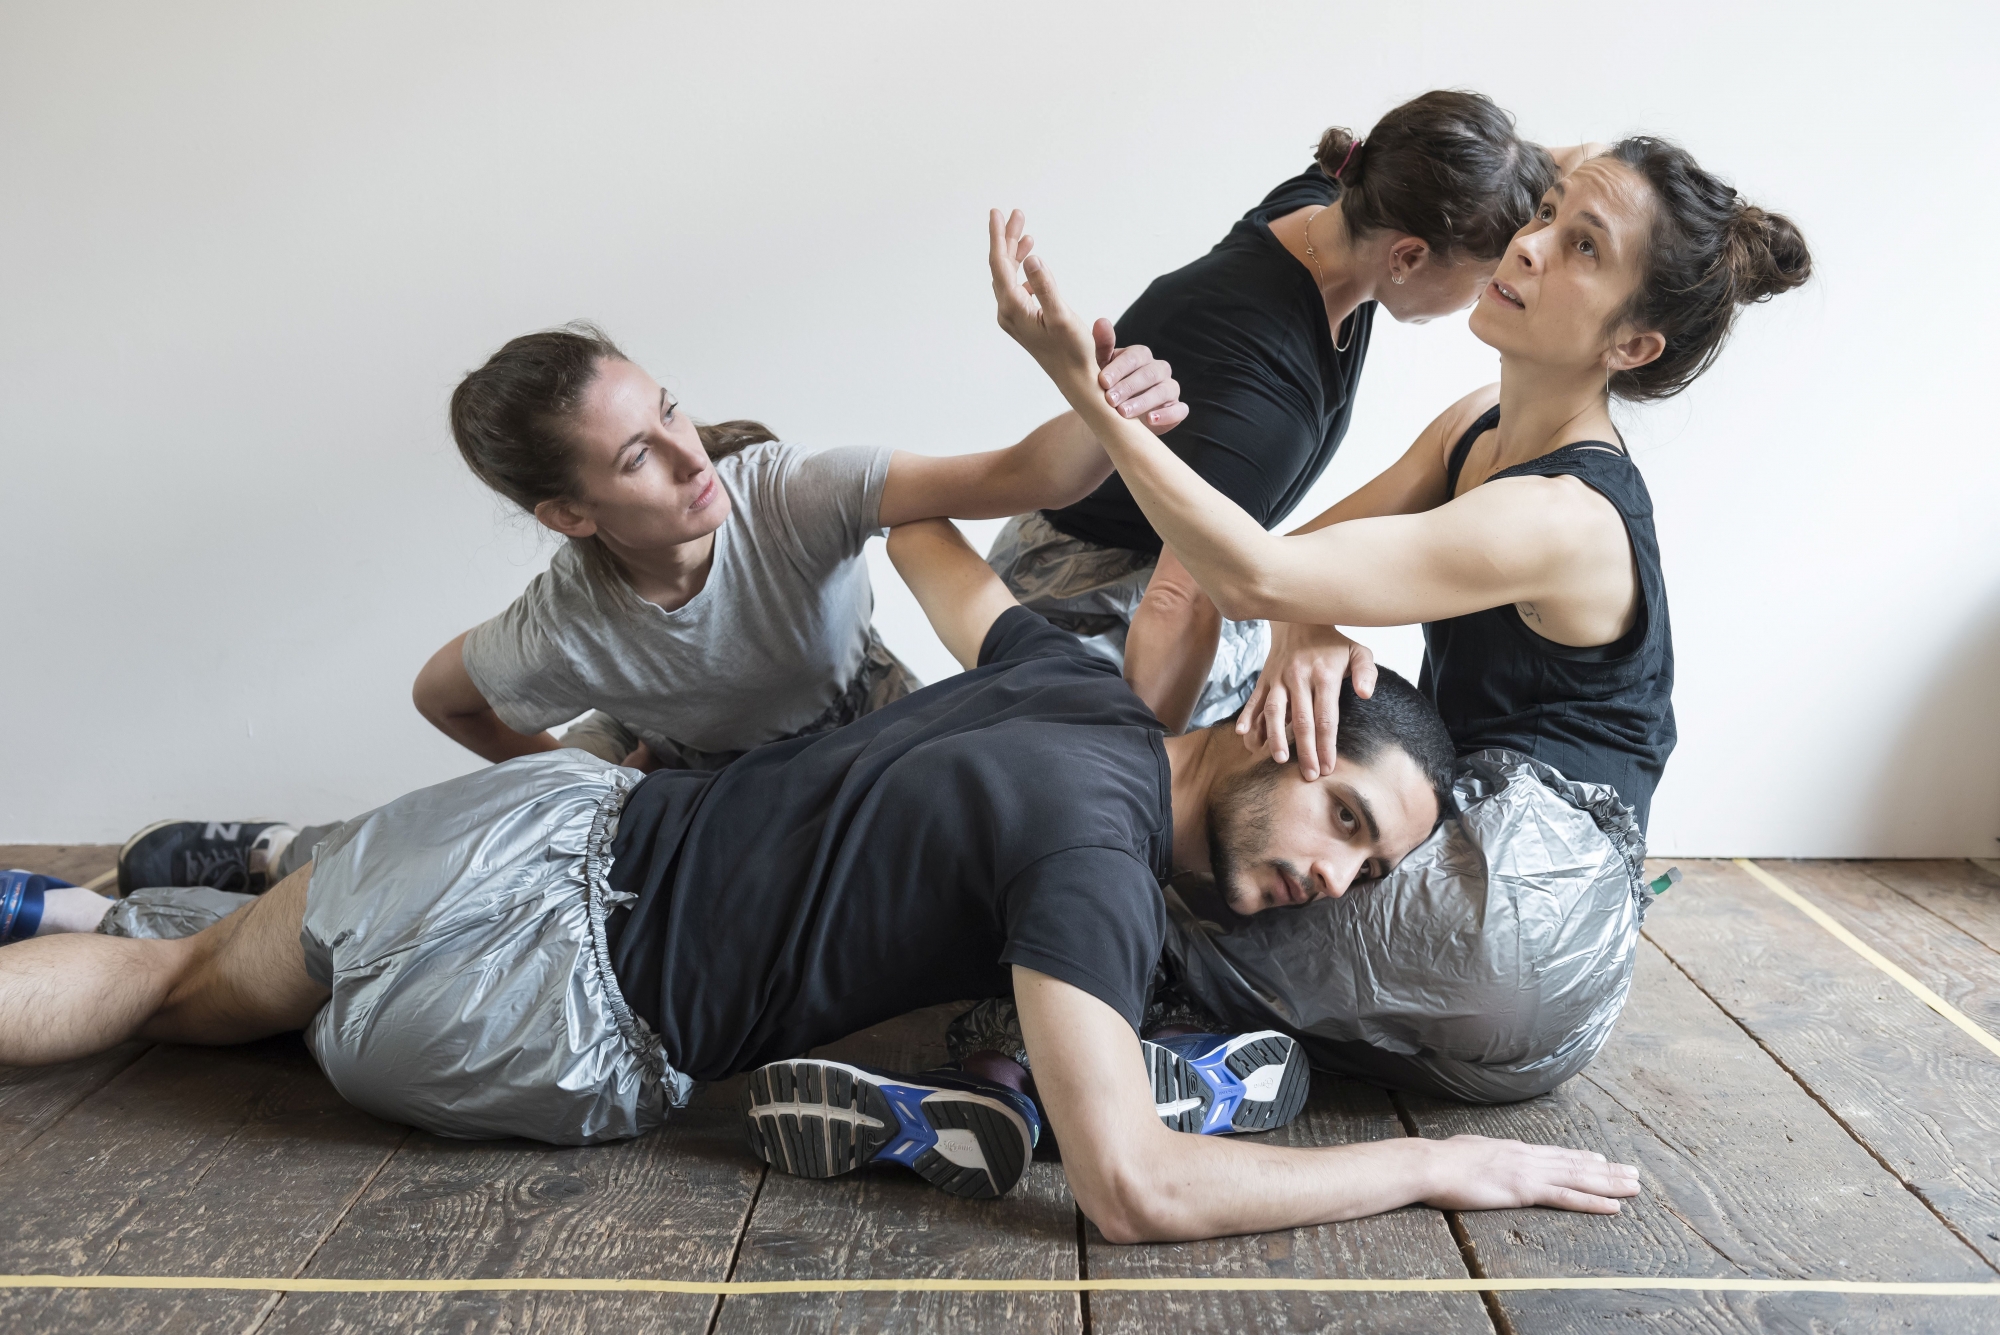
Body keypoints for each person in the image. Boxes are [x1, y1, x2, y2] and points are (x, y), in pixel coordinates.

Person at [0, 518, 1642, 1240]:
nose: (1332, 881)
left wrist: (989, 437)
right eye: (1349, 820)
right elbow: (1135, 1188)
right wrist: (1436, 1170)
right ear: (1283, 731)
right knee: (212, 1004)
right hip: (549, 1021)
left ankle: (136, 911)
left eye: (1371, 868)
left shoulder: (1065, 680)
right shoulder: (1094, 874)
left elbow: (933, 557)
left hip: (537, 835)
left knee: (173, 992)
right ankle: (144, 917)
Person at [85, 320, 1187, 906]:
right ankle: (280, 853)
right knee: (466, 857)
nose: (684, 454)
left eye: (668, 410)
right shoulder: (564, 625)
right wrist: (590, 773)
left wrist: (1101, 405)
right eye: (637, 458)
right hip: (691, 786)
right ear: (568, 513)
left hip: (858, 748)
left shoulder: (788, 490)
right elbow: (443, 696)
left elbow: (1019, 473)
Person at [987, 135, 1812, 832]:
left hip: (1534, 878)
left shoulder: (1563, 516)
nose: (1527, 243)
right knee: (1227, 765)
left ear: (1633, 347)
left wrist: (1097, 401)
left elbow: (1251, 575)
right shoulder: (1478, 420)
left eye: (1582, 246)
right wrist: (1302, 616)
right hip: (1443, 802)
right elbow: (1294, 567)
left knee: (1187, 836)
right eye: (1546, 212)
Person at [985, 90, 1593, 731]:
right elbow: (1176, 599)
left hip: (1105, 555)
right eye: (1480, 278)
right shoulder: (1271, 397)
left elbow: (1514, 168)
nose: (1483, 295)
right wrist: (1143, 784)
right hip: (1083, 602)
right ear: (1408, 256)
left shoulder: (1338, 203)